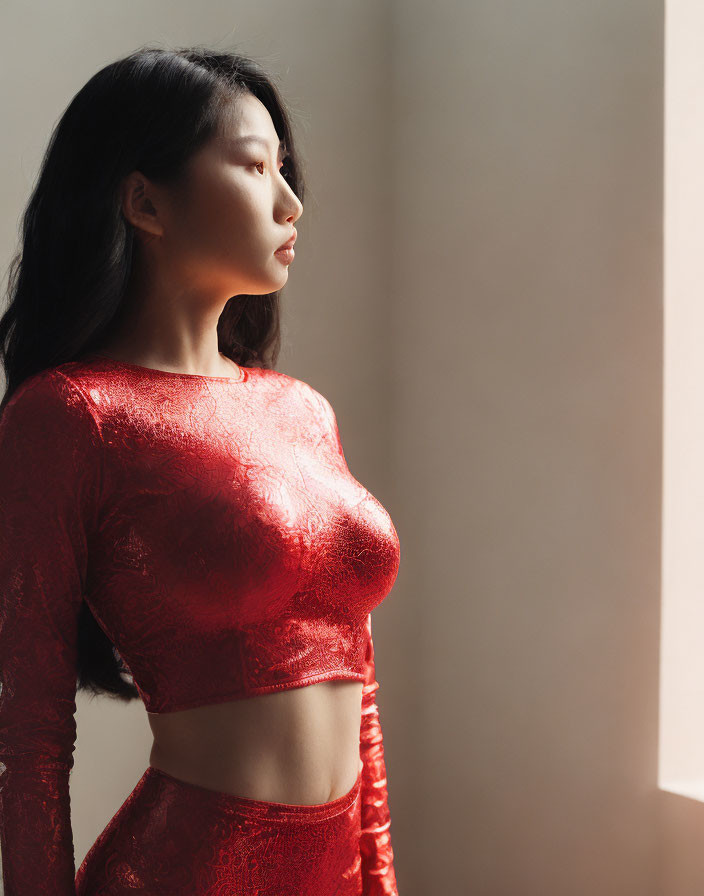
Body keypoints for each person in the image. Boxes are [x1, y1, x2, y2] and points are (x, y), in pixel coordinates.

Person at [0, 45, 401, 895]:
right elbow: (30, 734)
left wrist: (380, 883)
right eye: (257, 168)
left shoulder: (301, 409)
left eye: (286, 171)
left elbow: (359, 688)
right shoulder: (69, 415)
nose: (292, 203)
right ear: (145, 200)